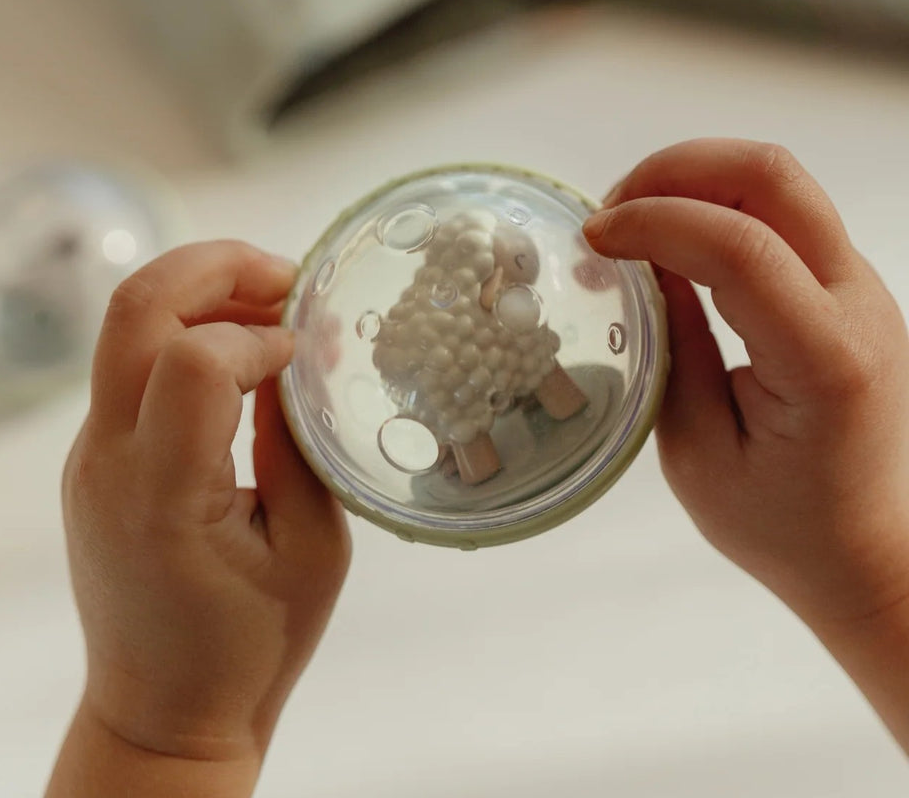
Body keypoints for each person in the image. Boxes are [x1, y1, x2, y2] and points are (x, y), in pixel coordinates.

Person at [45, 138, 909, 796]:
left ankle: (482, 438)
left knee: (509, 384)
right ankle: (480, 440)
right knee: (486, 403)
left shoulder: (489, 309)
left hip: (479, 359)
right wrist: (871, 563)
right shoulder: (460, 322)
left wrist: (157, 729)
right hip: (460, 370)